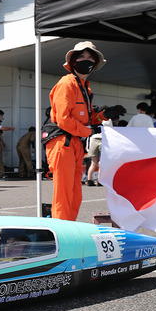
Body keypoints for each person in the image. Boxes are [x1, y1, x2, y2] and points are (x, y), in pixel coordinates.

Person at [46, 41, 107, 221]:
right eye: (82, 57)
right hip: (62, 142)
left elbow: (85, 118)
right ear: (73, 61)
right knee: (63, 194)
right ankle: (62, 232)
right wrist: (88, 131)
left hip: (75, 142)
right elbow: (63, 119)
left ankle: (69, 229)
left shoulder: (84, 86)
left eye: (90, 58)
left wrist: (103, 115)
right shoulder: (67, 83)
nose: (86, 60)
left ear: (94, 64)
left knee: (74, 194)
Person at [0, 109, 15, 180]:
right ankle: (0, 174)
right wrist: (10, 128)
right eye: (2, 116)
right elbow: (3, 129)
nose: (2, 117)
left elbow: (0, 133)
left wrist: (2, 142)